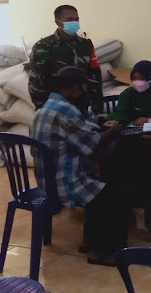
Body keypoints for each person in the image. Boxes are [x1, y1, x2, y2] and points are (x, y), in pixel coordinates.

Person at [29, 66, 128, 266]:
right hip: (63, 182)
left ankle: (90, 240)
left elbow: (77, 140)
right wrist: (115, 130)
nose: (85, 92)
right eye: (84, 87)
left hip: (46, 179)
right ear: (75, 88)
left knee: (101, 183)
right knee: (117, 196)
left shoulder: (44, 108)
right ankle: (105, 253)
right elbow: (92, 143)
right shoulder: (66, 111)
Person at [28, 5, 103, 115]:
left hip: (81, 106)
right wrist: (44, 109)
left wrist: (98, 109)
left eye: (76, 19)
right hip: (54, 108)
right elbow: (36, 82)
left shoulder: (85, 45)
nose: (74, 22)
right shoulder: (43, 47)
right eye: (69, 20)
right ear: (58, 22)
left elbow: (95, 75)